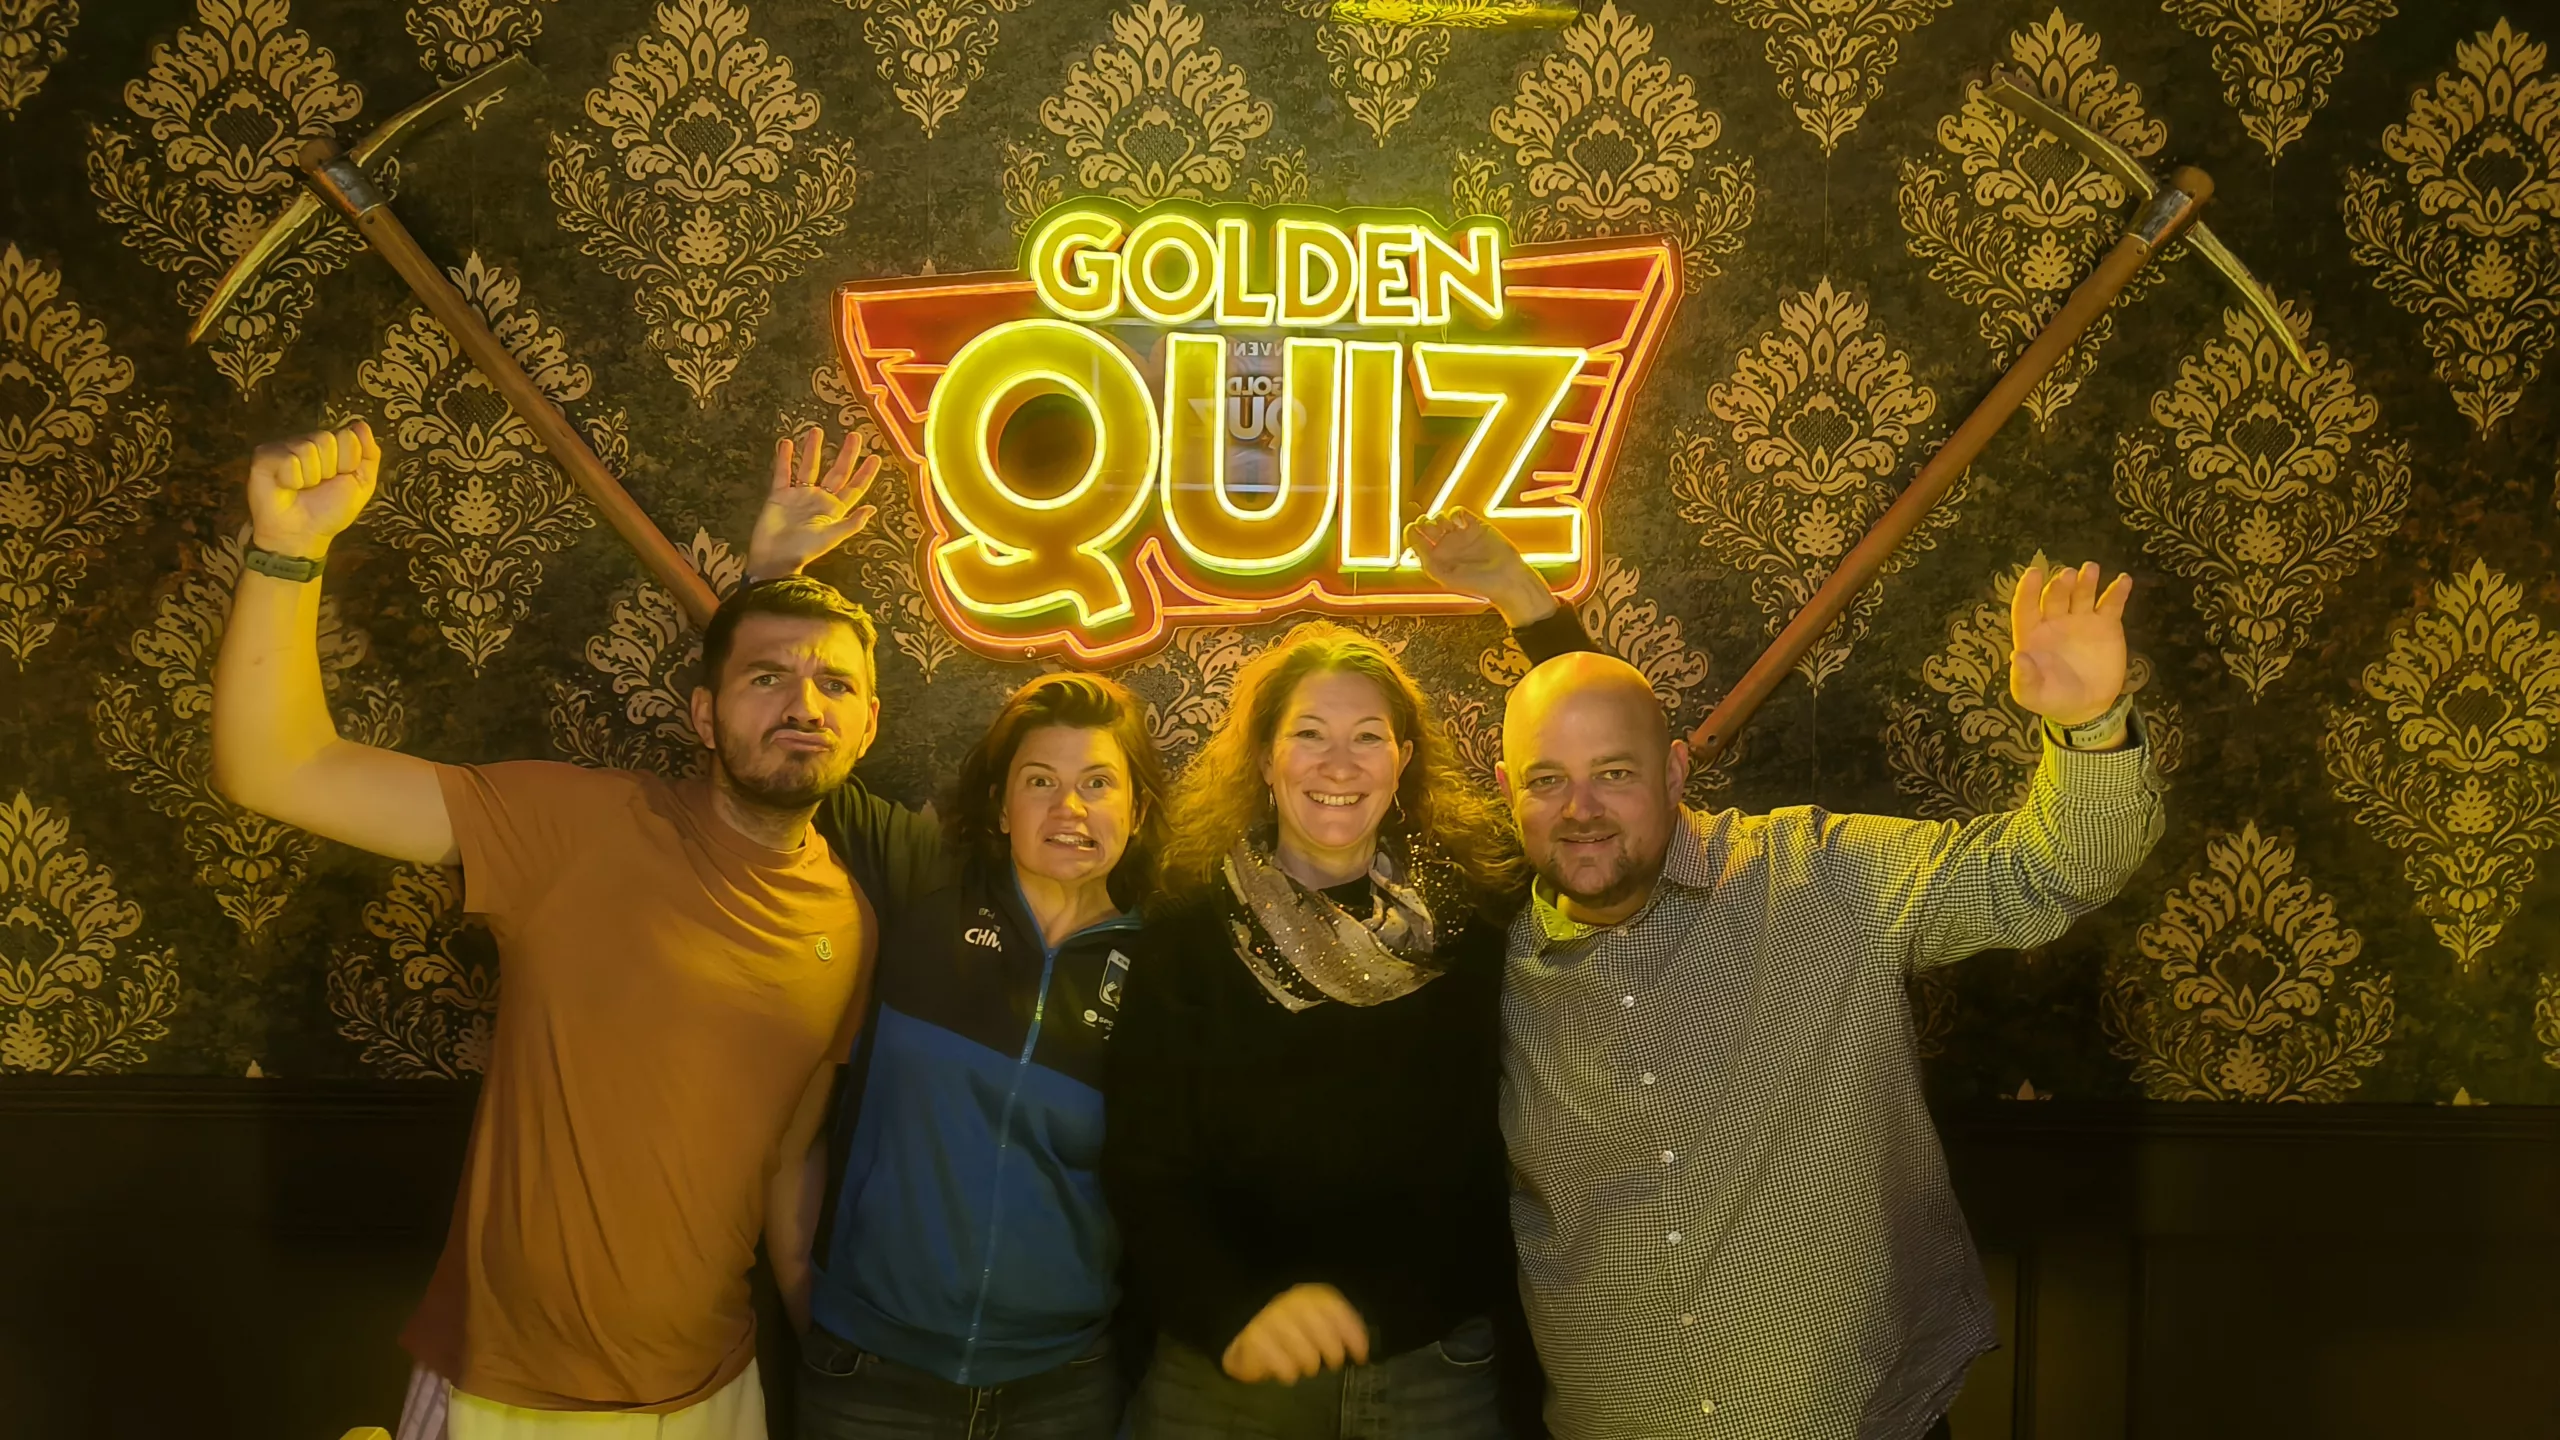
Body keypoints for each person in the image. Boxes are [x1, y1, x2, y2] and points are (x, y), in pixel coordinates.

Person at [1408, 509, 2166, 1440]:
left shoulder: (1822, 879)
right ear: (1507, 791)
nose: (1582, 809)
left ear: (1675, 773)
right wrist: (1521, 598)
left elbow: (2044, 872)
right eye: (1546, 782)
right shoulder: (1479, 962)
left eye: (1616, 774)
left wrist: (2089, 727)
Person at [211, 424, 880, 1439]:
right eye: (766, 679)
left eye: (835, 685)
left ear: (869, 725)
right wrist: (288, 548)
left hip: (717, 1389)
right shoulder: (575, 828)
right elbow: (279, 767)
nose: (804, 703)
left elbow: (787, 1164)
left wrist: (833, 1372)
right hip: (509, 1393)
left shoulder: (851, 920)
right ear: (704, 718)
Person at [742, 429, 1172, 1439]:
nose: (1070, 807)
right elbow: (785, 755)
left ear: (1137, 809)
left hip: (1063, 1388)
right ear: (1002, 806)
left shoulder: (1163, 965)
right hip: (872, 1375)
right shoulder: (921, 880)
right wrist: (771, 577)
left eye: (1098, 782)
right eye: (1040, 780)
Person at [1103, 617, 1563, 1439]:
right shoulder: (1189, 928)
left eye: (1367, 737)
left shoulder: (1480, 914)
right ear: (1264, 759)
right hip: (1227, 1374)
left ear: (1403, 759)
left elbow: (1615, 778)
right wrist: (1230, 1313)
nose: (1339, 764)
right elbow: (1142, 1159)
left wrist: (1532, 608)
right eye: (1309, 734)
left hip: (1433, 1369)